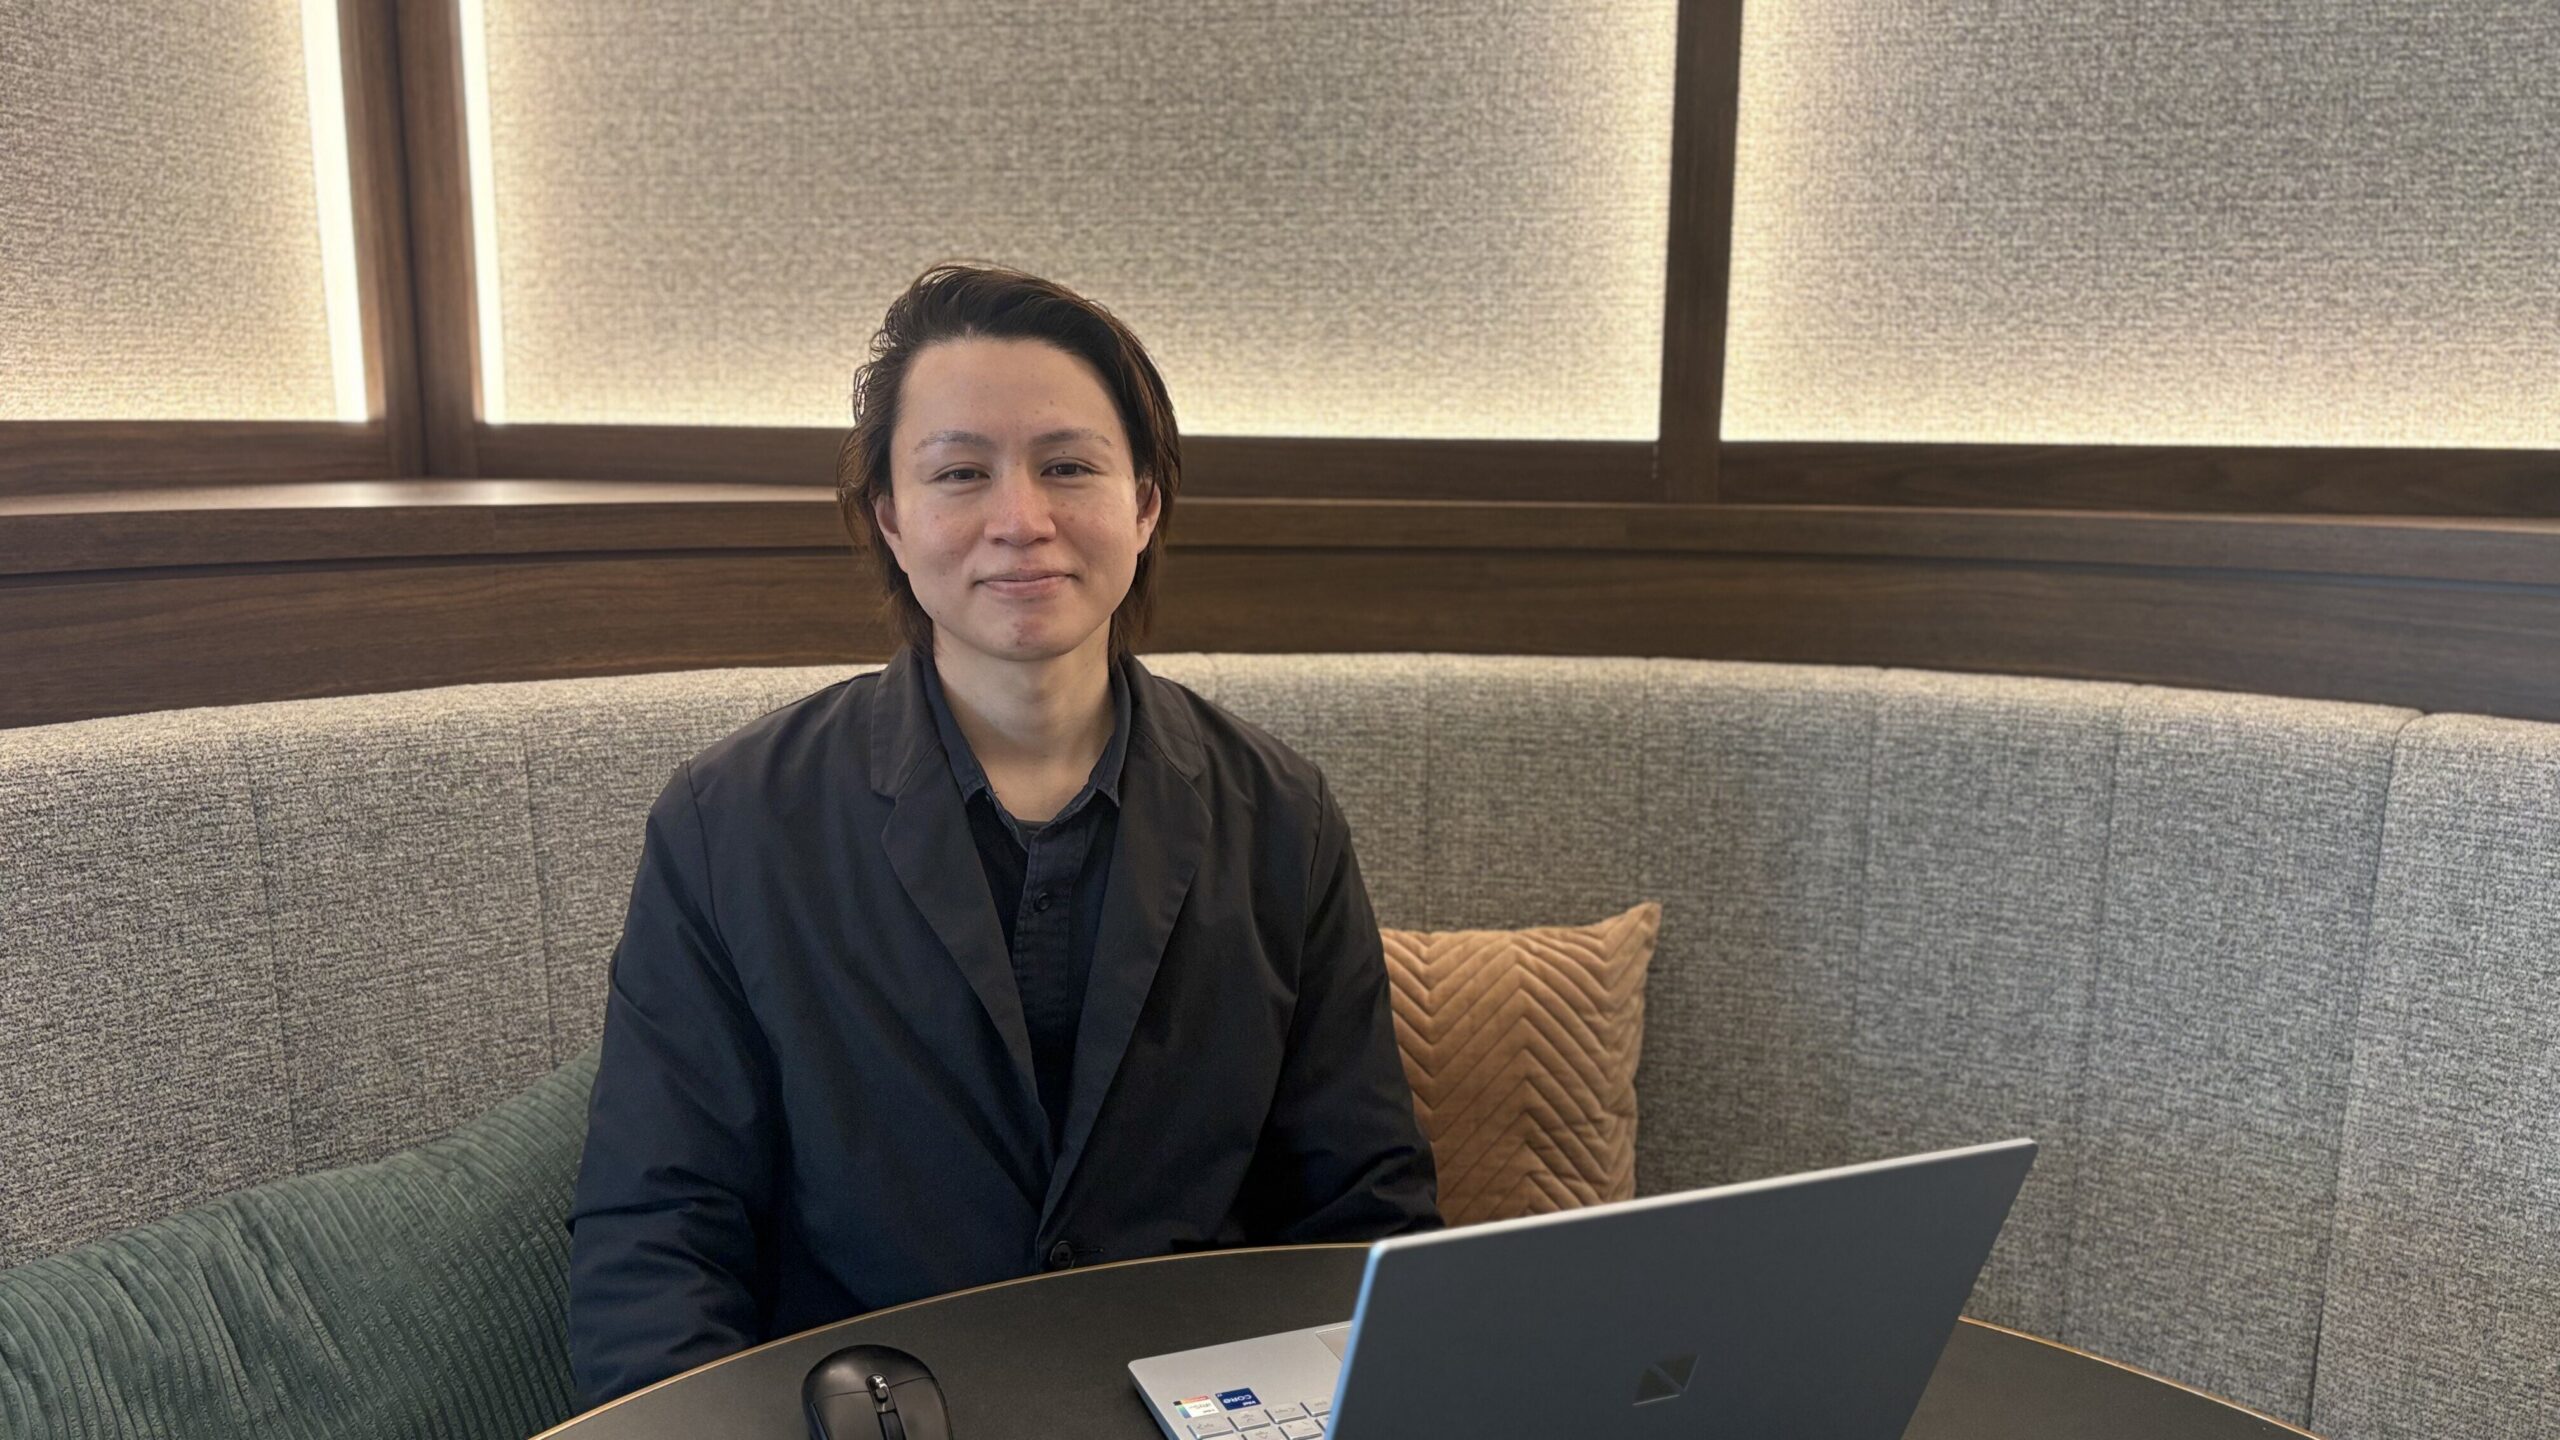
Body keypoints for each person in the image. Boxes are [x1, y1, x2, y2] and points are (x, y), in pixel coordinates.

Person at [564, 261, 1442, 1411]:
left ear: (1144, 505)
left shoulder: (1283, 817)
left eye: (1068, 466)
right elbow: (655, 1237)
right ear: (891, 518)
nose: (1021, 521)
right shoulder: (728, 825)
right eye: (960, 473)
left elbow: (1364, 1215)